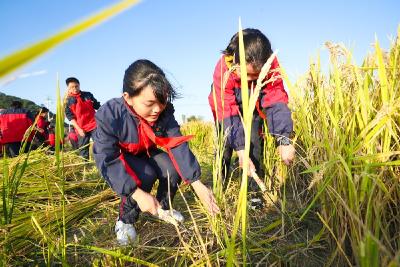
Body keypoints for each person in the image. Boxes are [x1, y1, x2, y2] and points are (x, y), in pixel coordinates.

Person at [93, 59, 220, 245]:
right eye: (150, 103)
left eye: (162, 101)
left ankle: (163, 208)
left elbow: (176, 144)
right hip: (124, 156)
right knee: (145, 175)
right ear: (128, 97)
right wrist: (137, 193)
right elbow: (107, 157)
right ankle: (125, 220)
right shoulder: (110, 114)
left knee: (171, 169)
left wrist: (196, 182)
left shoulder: (164, 112)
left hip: (147, 151)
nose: (157, 109)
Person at [208, 28, 295, 192]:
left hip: (253, 105)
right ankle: (219, 187)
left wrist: (284, 140)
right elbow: (227, 111)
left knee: (254, 143)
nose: (249, 80)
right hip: (225, 109)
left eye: (255, 76)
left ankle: (253, 190)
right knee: (225, 145)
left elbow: (275, 98)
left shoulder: (271, 65)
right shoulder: (222, 69)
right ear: (235, 62)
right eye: (246, 75)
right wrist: (240, 150)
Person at [65, 77, 100, 160]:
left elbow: (98, 106)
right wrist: (79, 129)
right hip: (81, 128)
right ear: (68, 88)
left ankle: (102, 163)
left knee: (100, 145)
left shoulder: (88, 95)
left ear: (79, 85)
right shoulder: (67, 101)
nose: (75, 89)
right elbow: (71, 118)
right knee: (83, 150)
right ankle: (85, 168)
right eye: (72, 87)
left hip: (94, 125)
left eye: (76, 86)